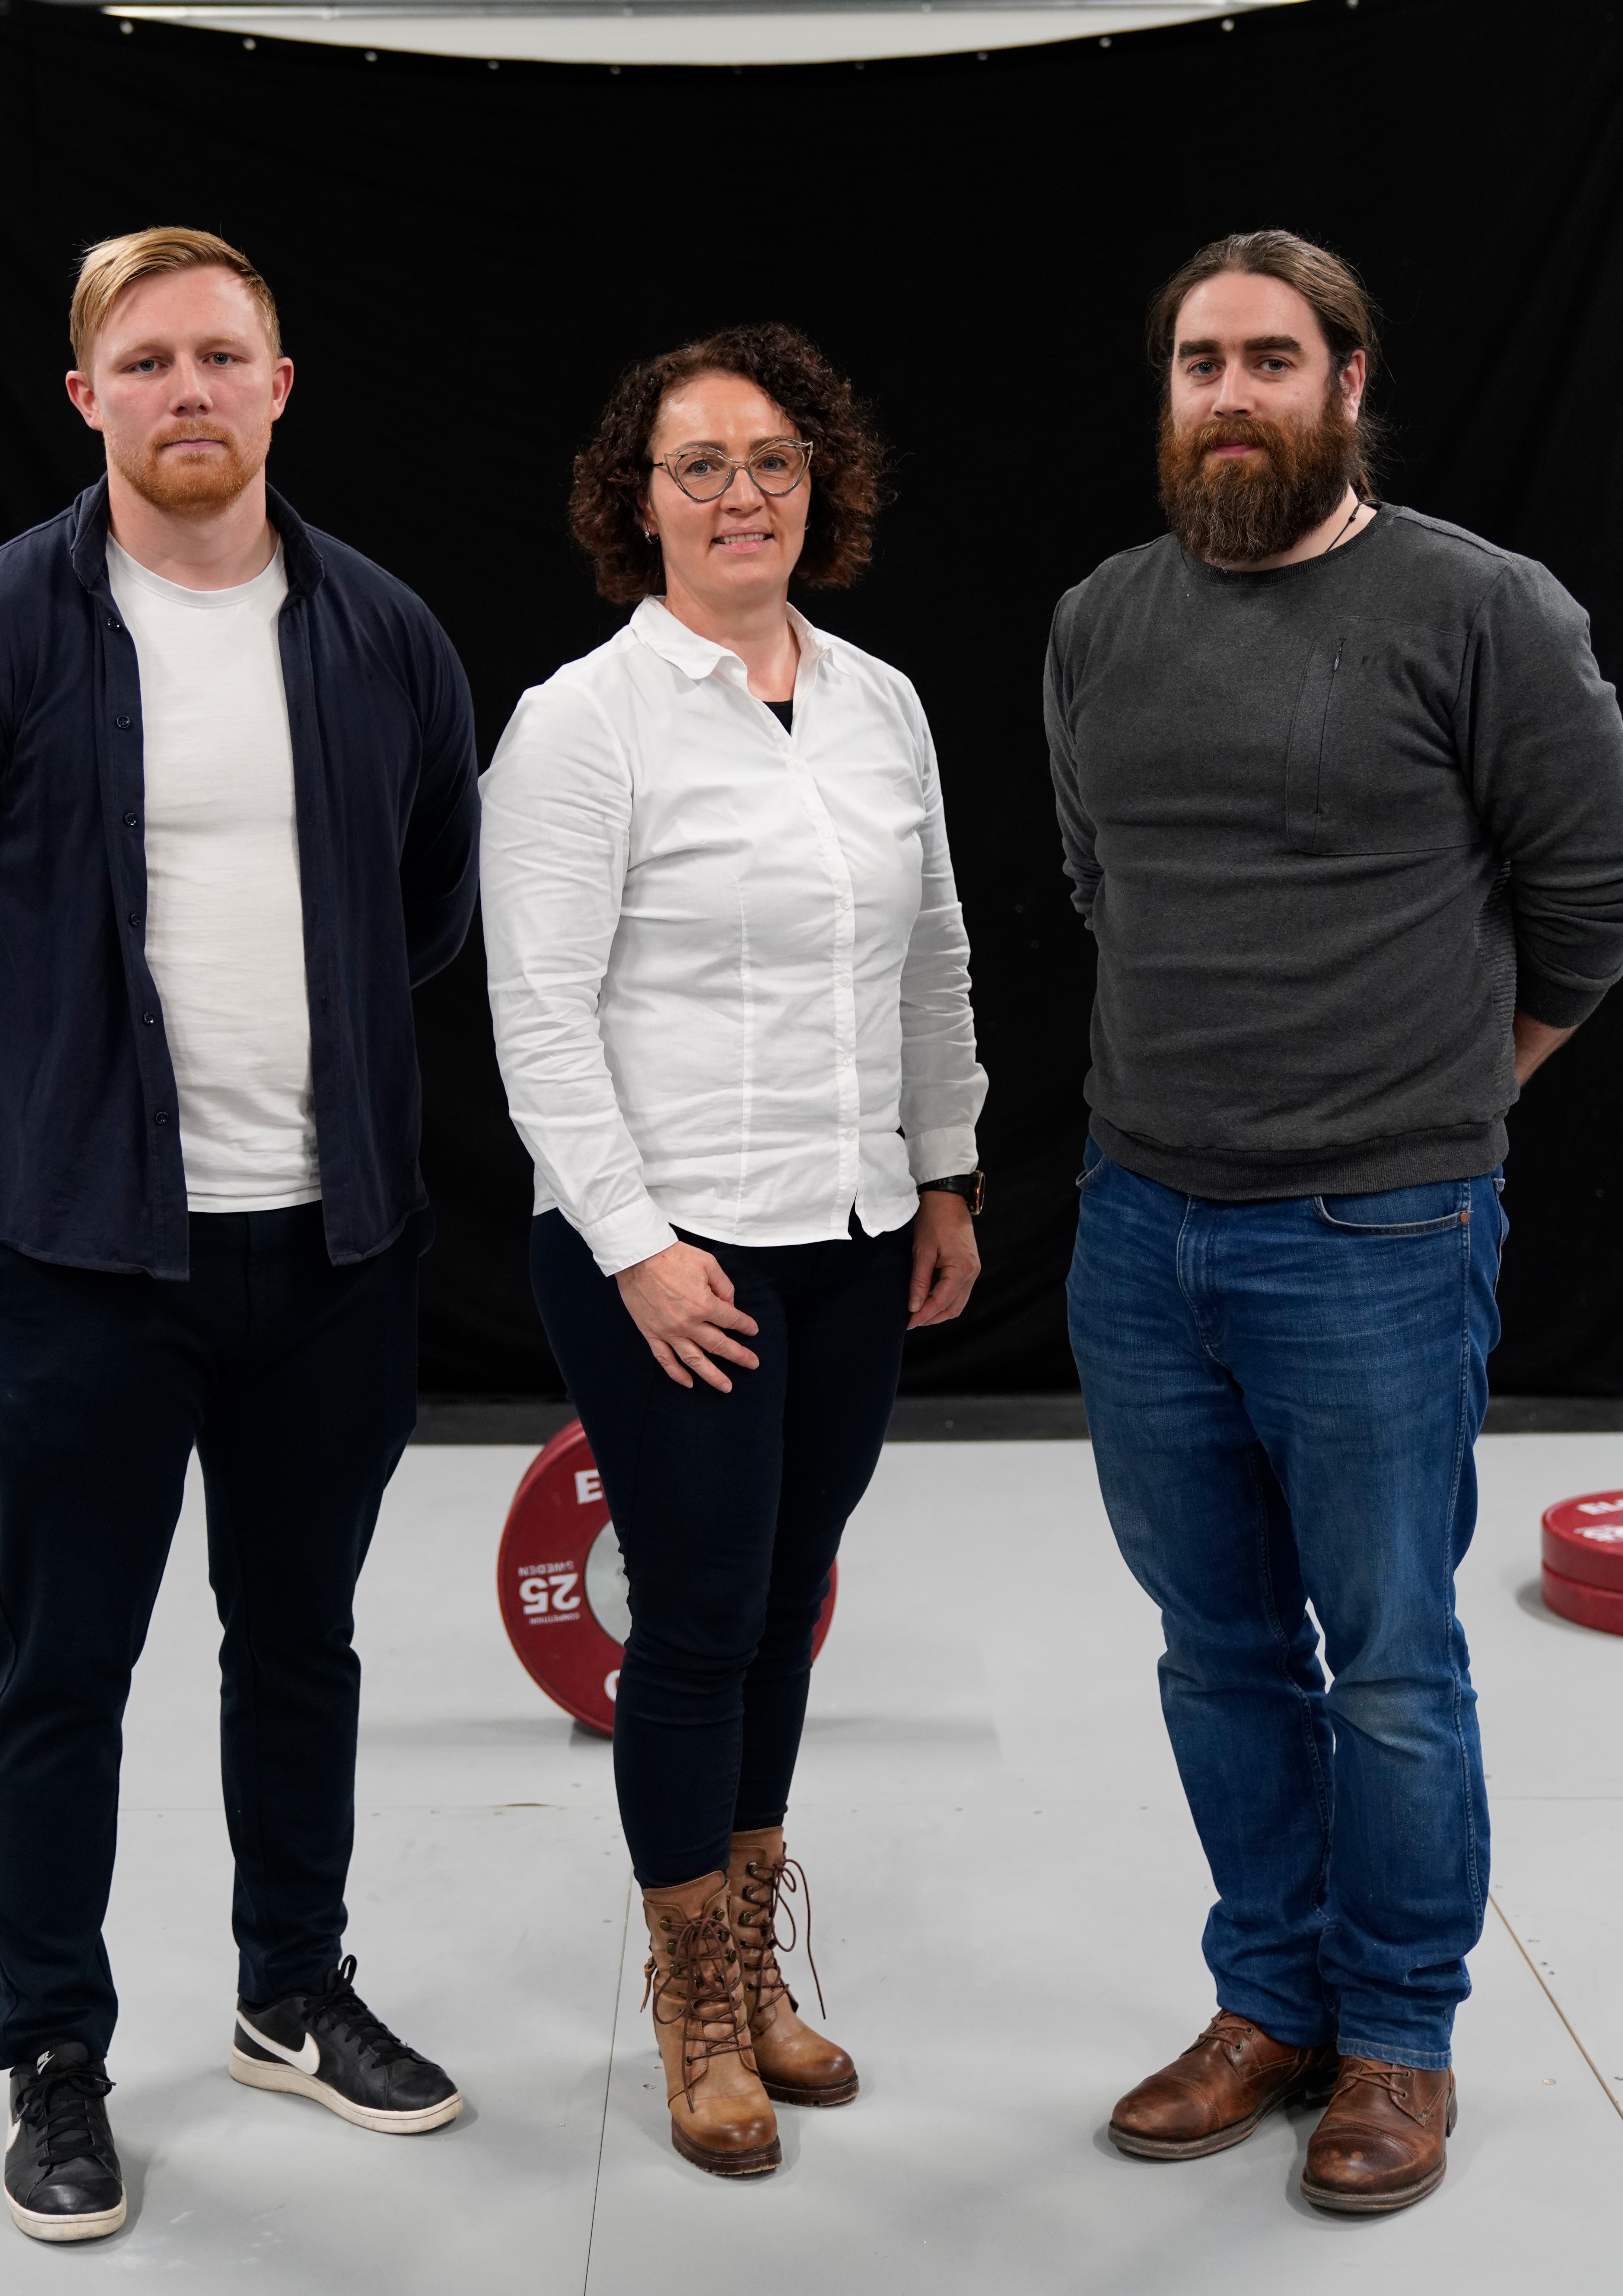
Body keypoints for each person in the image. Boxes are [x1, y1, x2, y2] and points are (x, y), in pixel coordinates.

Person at [0, 228, 480, 2243]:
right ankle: (55, 2054)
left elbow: (428, 905)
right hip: (84, 1264)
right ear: (85, 396)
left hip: (330, 1252)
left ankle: (290, 1991)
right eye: (148, 360)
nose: (188, 389)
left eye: (221, 355)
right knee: (65, 1667)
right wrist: (49, 1083)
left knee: (302, 1641)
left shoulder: (382, 636)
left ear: (279, 386)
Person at [1050, 229, 1623, 2215]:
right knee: (1218, 1648)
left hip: (1375, 1235)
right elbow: (1097, 879)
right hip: (1138, 1231)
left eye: (1269, 359)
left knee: (1384, 1660)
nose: (1230, 393)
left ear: (1346, 386)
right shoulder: (1100, 620)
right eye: (1198, 360)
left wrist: (1441, 1105)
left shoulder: (1480, 609)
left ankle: (1397, 2033)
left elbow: (1587, 911)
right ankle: (1268, 2001)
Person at [480, 323, 987, 2178]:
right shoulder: (582, 722)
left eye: (773, 459)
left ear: (817, 483)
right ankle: (694, 2001)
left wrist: (946, 1175)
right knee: (694, 1618)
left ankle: (754, 1966)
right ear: (641, 502)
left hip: (854, 1236)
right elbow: (540, 1019)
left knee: (784, 1598)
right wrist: (637, 1249)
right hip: (673, 1254)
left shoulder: (880, 704)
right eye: (699, 465)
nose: (741, 494)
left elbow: (932, 956)